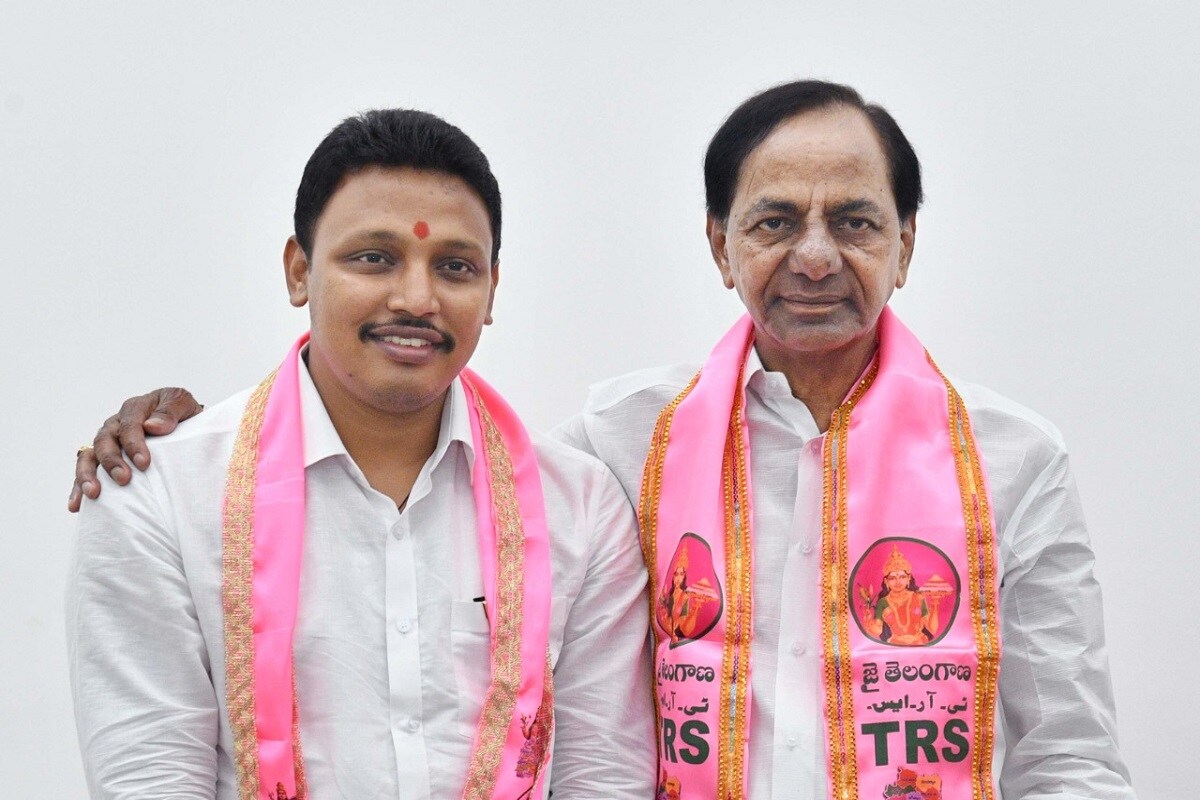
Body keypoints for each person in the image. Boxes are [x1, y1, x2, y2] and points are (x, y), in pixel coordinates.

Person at [69, 81, 1136, 799]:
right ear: (719, 245)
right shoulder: (628, 448)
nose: (815, 256)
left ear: (905, 244)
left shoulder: (1010, 463)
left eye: (855, 221)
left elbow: (1072, 757)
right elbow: (394, 419)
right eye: (774, 221)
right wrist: (180, 438)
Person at [66, 109, 655, 799]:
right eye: (374, 258)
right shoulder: (161, 495)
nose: (416, 298)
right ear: (298, 271)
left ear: (491, 290)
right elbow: (149, 777)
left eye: (455, 267)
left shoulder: (580, 506)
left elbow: (604, 776)